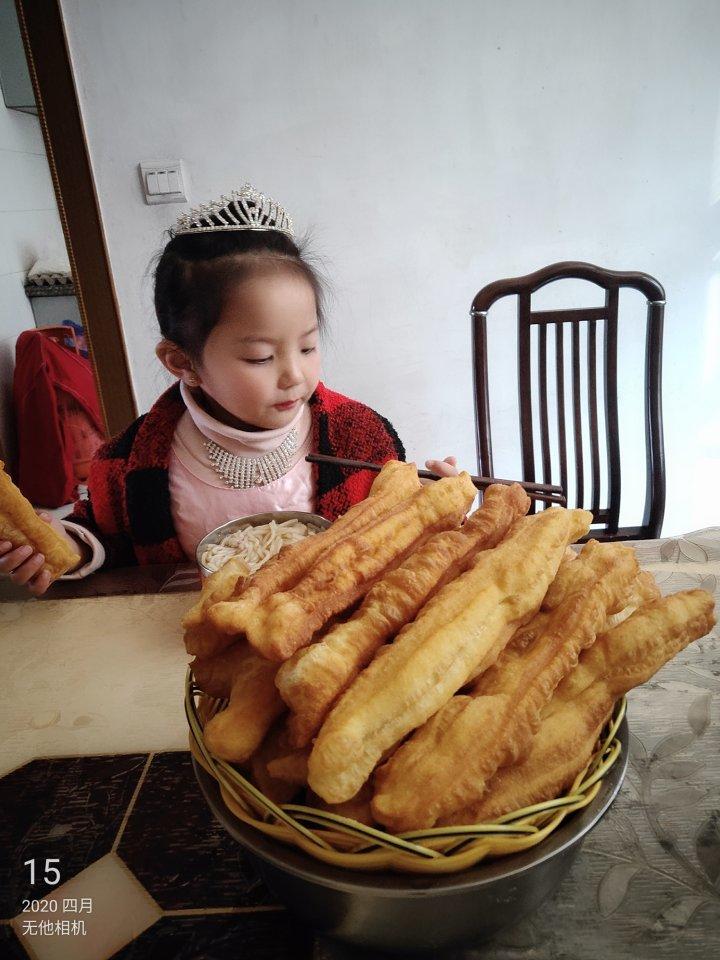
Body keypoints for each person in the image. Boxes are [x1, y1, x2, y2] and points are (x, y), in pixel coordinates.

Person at [0, 184, 458, 596]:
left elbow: (394, 532)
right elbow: (108, 536)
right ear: (183, 362)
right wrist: (68, 546)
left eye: (308, 346)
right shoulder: (130, 460)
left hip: (324, 638)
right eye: (260, 357)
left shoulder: (360, 435)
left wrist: (435, 504)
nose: (295, 374)